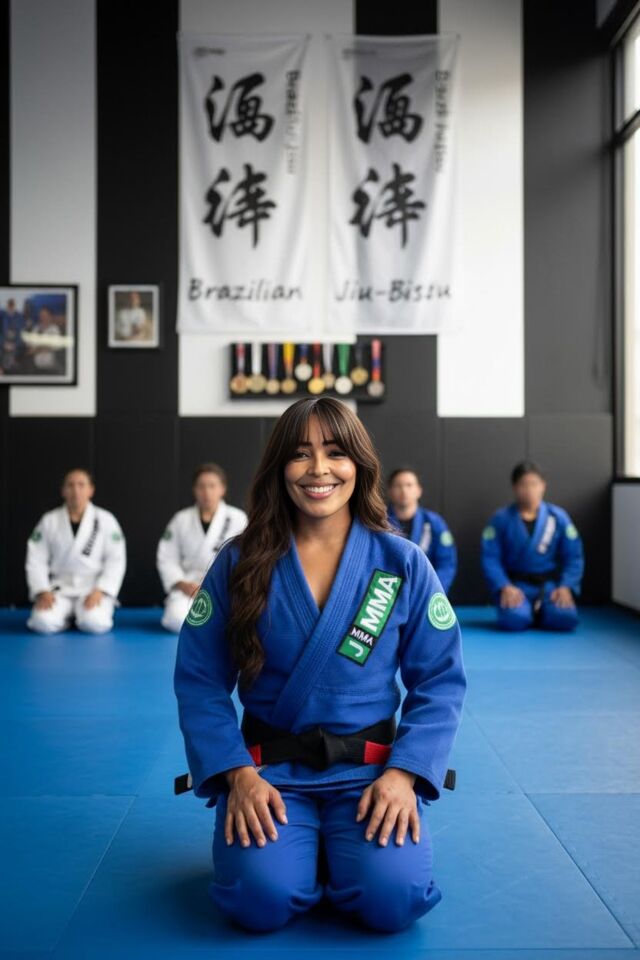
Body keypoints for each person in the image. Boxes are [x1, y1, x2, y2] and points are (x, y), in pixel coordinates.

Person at [174, 397, 466, 933]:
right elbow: (199, 679)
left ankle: (332, 850)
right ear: (278, 467)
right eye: (300, 454)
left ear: (359, 464)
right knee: (258, 901)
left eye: (335, 453)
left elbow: (440, 679)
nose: (318, 469)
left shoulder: (400, 562)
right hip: (270, 775)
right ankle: (307, 851)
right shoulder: (240, 562)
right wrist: (237, 774)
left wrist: (405, 773)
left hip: (371, 773)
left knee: (394, 900)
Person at [481, 460, 584, 631]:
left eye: (534, 484)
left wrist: (566, 586)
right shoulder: (500, 519)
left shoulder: (558, 517)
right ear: (514, 487)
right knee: (513, 620)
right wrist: (504, 585)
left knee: (566, 618)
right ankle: (530, 612)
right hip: (517, 586)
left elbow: (574, 556)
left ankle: (541, 611)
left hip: (548, 587)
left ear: (543, 486)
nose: (529, 489)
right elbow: (490, 559)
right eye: (523, 484)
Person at [25, 468, 126, 634]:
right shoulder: (49, 520)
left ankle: (79, 616)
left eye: (81, 485)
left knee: (95, 623)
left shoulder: (106, 520)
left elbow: (116, 560)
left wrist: (102, 589)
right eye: (70, 485)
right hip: (59, 589)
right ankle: (65, 618)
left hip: (92, 588)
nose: (76, 490)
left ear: (91, 490)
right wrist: (42, 590)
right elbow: (36, 558)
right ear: (63, 491)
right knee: (41, 623)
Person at [157, 463, 247, 633]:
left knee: (240, 621)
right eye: (201, 486)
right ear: (194, 490)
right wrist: (182, 583)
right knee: (175, 620)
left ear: (222, 489)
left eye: (212, 486)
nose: (207, 492)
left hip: (224, 587)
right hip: (189, 588)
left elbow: (246, 558)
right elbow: (167, 557)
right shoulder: (181, 519)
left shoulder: (237, 518)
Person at [387, 467, 457, 594]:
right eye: (398, 486)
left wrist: (434, 592)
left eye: (409, 485)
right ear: (390, 491)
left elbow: (446, 563)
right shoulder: (379, 522)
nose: (404, 490)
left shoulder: (434, 522)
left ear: (419, 490)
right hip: (389, 592)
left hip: (427, 590)